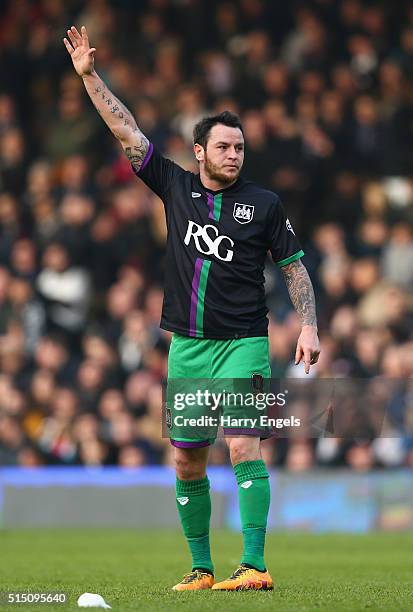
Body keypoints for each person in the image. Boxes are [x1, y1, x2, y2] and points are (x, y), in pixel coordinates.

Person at [64, 25, 320, 592]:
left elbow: (295, 267)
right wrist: (89, 77)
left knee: (242, 442)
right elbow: (127, 131)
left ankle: (254, 564)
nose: (235, 155)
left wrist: (308, 325)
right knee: (185, 461)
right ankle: (202, 569)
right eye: (225, 147)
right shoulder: (175, 188)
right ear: (200, 152)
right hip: (187, 345)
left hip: (244, 342)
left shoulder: (265, 204)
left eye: (241, 148)